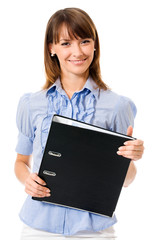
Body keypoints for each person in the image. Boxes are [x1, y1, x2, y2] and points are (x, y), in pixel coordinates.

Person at [14, 7, 144, 240]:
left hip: (93, 230)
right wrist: (27, 180)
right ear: (51, 48)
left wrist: (130, 158)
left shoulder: (117, 106)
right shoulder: (31, 104)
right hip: (37, 228)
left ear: (95, 45)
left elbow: (127, 180)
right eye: (65, 43)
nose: (77, 51)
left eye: (84, 41)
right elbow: (20, 162)